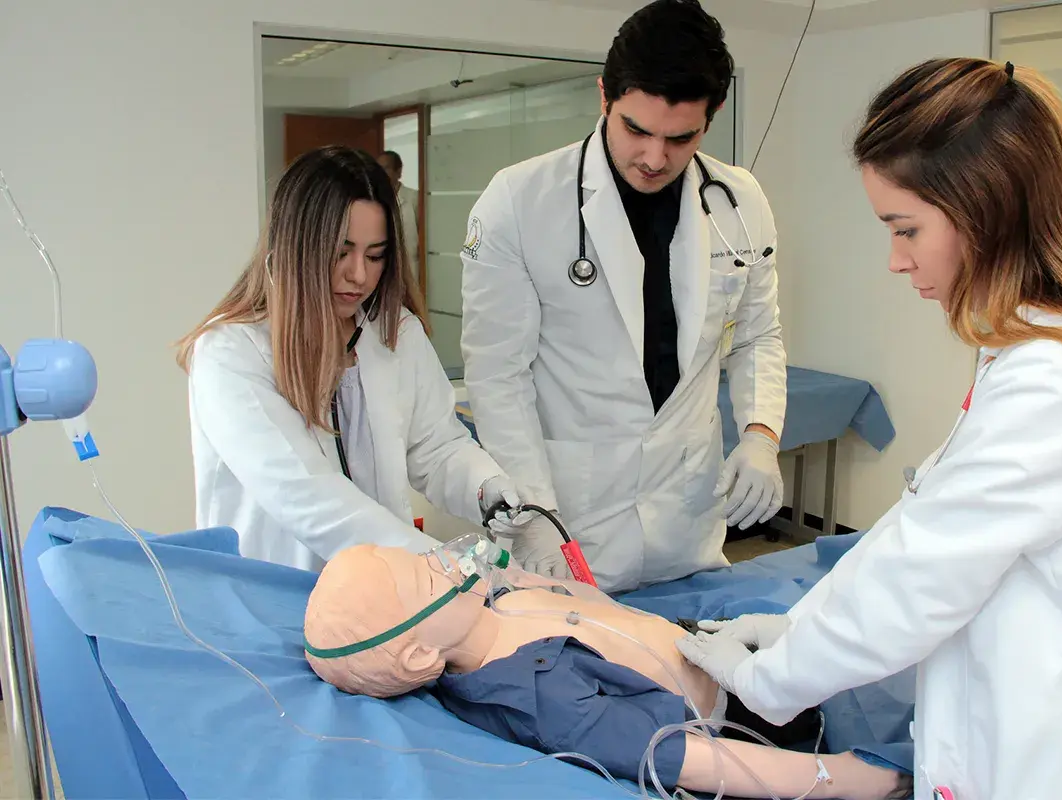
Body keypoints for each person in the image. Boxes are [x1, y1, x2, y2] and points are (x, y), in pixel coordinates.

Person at [676, 58, 1062, 800]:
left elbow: (921, 576)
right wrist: (798, 628)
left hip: (1060, 769)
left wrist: (769, 678)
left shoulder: (1055, 380)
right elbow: (929, 527)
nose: (896, 261)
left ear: (983, 209)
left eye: (906, 229)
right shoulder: (1038, 350)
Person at [459, 0, 787, 592]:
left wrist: (761, 434)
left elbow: (759, 333)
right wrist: (535, 517)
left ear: (709, 121)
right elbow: (498, 378)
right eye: (636, 129)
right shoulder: (520, 200)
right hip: (570, 518)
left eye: (680, 138)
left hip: (686, 521)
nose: (654, 158)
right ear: (603, 96)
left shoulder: (739, 202)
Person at [302, 539, 912, 799]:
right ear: (417, 655)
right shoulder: (536, 692)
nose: (443, 561)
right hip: (749, 716)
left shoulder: (495, 603)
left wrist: (519, 578)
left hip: (715, 648)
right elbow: (685, 758)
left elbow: (588, 606)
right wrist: (839, 778)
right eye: (423, 575)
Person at [176, 145, 537, 571]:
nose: (359, 275)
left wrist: (485, 488)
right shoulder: (231, 352)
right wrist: (442, 565)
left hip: (385, 599)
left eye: (375, 255)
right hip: (277, 598)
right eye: (340, 251)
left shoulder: (394, 331)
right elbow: (309, 497)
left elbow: (435, 446)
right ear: (296, 246)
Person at [376, 150, 421, 285]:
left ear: (399, 171)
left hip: (411, 268)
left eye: (386, 168)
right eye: (379, 169)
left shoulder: (414, 198)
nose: (382, 174)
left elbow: (424, 237)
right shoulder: (375, 200)